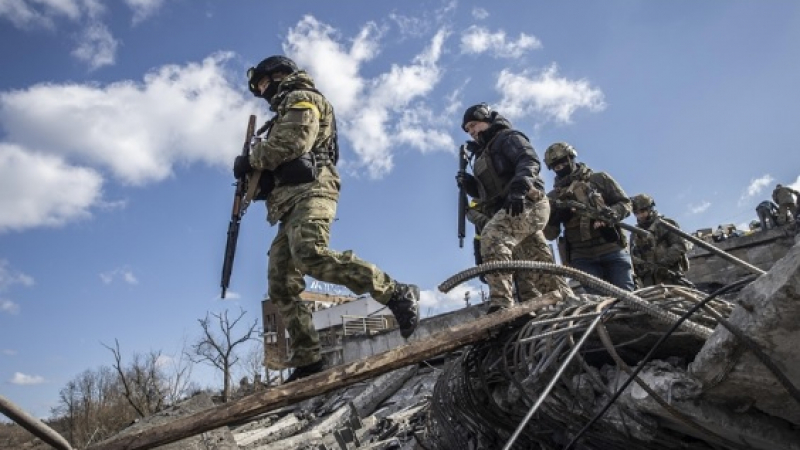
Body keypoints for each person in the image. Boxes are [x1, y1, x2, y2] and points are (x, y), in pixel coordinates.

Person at [235, 55, 419, 382]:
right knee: (280, 283)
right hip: (288, 203)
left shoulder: (302, 97)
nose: (263, 91)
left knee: (311, 255)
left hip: (313, 191)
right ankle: (308, 357)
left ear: (280, 75)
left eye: (264, 83)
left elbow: (295, 142)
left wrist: (251, 158)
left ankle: (394, 291)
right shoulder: (281, 111)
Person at [456, 103, 572, 314]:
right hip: (511, 211)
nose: (471, 132)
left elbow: (528, 159)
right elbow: (489, 193)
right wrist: (470, 185)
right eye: (468, 130)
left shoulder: (506, 137)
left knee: (492, 235)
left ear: (487, 119)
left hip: (527, 202)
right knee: (535, 268)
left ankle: (501, 304)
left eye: (474, 125)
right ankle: (564, 305)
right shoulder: (483, 155)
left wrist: (520, 187)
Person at [543, 142, 635, 293]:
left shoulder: (599, 179)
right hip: (582, 257)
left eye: (563, 163)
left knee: (627, 297)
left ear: (571, 158)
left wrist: (610, 214)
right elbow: (549, 234)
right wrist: (558, 217)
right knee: (598, 303)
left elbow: (625, 203)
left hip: (611, 248)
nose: (560, 168)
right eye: (556, 167)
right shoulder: (553, 198)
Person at [628, 194, 694, 288]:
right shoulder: (635, 233)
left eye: (642, 211)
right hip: (648, 279)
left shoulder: (666, 224)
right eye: (636, 213)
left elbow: (680, 245)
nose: (640, 215)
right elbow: (632, 256)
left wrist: (662, 264)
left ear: (650, 209)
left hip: (669, 273)